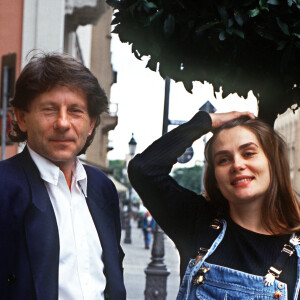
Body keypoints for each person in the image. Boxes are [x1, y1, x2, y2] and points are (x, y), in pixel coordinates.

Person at [128, 110, 300, 300]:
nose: (237, 164)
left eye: (249, 153)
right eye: (223, 159)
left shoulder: (296, 248)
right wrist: (205, 121)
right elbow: (143, 170)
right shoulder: (197, 221)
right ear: (215, 178)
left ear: (273, 164)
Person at [0, 53, 126, 300]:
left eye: (76, 111)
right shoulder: (3, 187)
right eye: (50, 109)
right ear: (22, 118)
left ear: (91, 124)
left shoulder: (102, 188)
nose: (63, 123)